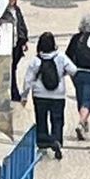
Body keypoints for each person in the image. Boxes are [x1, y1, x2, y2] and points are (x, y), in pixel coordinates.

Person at [23, 31, 75, 159]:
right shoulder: (61, 58)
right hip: (58, 95)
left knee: (41, 120)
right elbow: (73, 70)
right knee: (57, 120)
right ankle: (56, 141)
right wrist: (62, 74)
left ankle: (43, 145)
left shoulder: (36, 61)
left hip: (39, 95)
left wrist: (24, 96)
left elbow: (28, 80)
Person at [1, 0, 29, 102]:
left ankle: (13, 92)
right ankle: (13, 93)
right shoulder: (2, 11)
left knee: (13, 68)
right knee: (11, 68)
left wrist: (24, 40)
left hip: (17, 43)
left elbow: (21, 24)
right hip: (7, 43)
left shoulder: (17, 10)